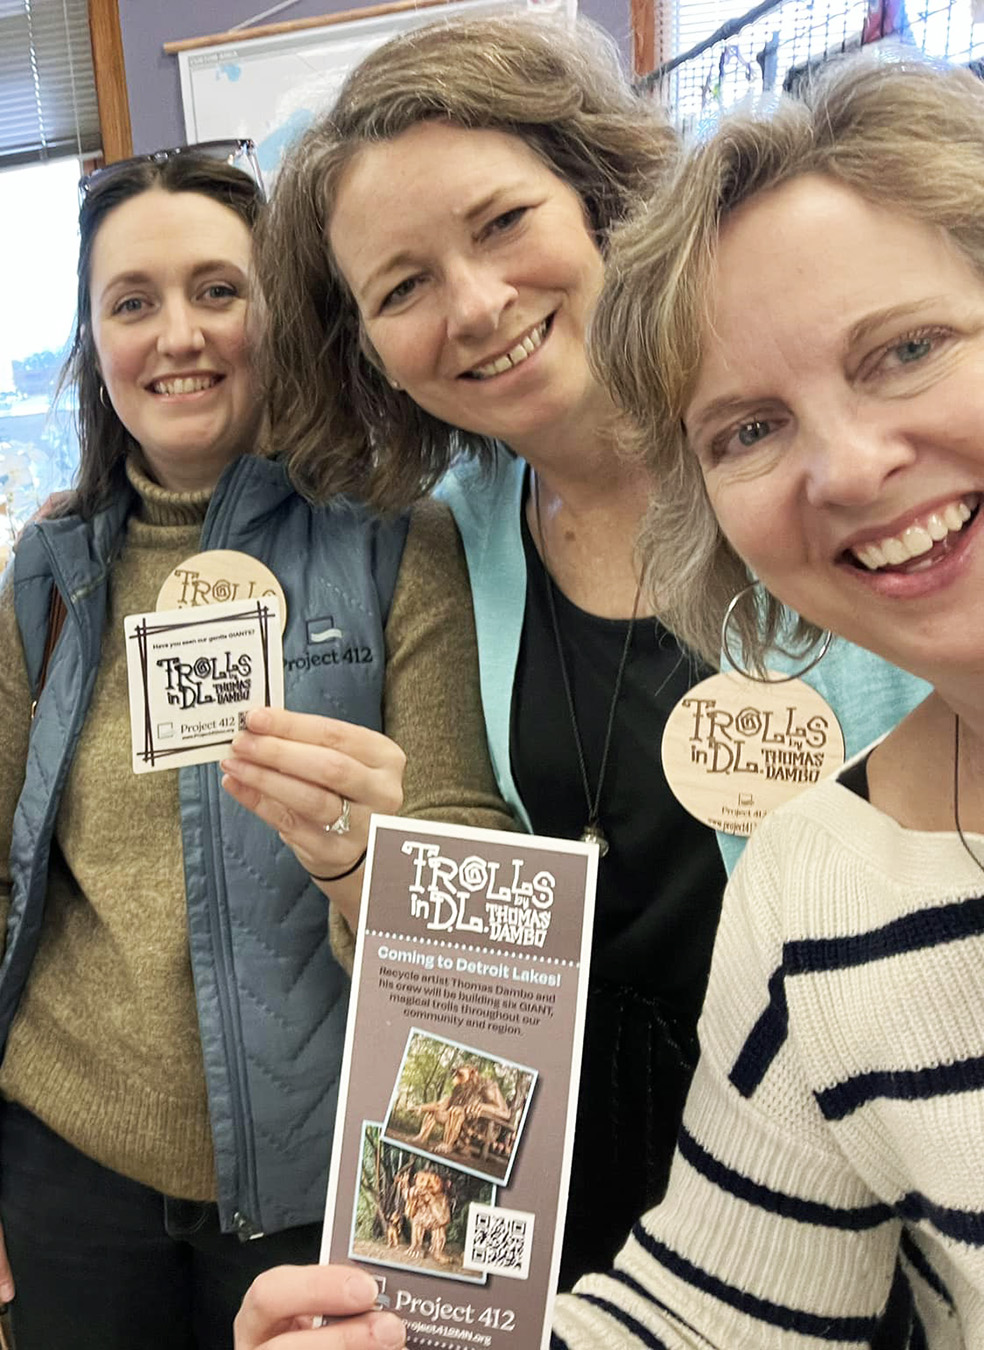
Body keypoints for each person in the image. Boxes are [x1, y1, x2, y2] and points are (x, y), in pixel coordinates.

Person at [235, 52, 984, 1350]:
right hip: (638, 1164)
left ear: (598, 199)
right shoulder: (450, 544)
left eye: (503, 224)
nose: (473, 306)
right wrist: (433, 1301)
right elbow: (471, 946)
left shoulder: (836, 493)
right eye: (403, 287)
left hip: (904, 1154)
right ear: (371, 350)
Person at [0, 147, 514, 1348]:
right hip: (69, 1169)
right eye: (132, 302)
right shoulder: (52, 571)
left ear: (278, 315)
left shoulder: (398, 539)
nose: (176, 334)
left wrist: (362, 853)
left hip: (323, 1176)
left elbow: (470, 861)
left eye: (218, 291)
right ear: (96, 345)